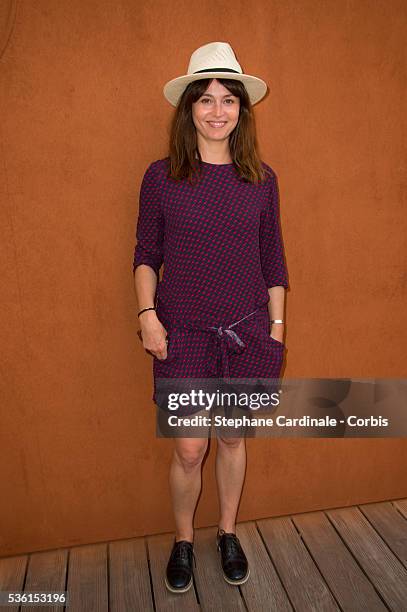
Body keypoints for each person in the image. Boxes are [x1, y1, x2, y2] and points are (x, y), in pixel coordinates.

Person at [133, 42, 289, 593]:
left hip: (246, 329)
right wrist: (148, 316)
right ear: (189, 110)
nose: (217, 110)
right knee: (189, 446)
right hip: (185, 333)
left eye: (228, 100)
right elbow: (146, 255)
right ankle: (182, 539)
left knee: (231, 438)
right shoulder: (160, 177)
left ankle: (226, 532)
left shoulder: (261, 180)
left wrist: (275, 331)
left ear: (242, 111)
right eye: (206, 99)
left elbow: (273, 260)